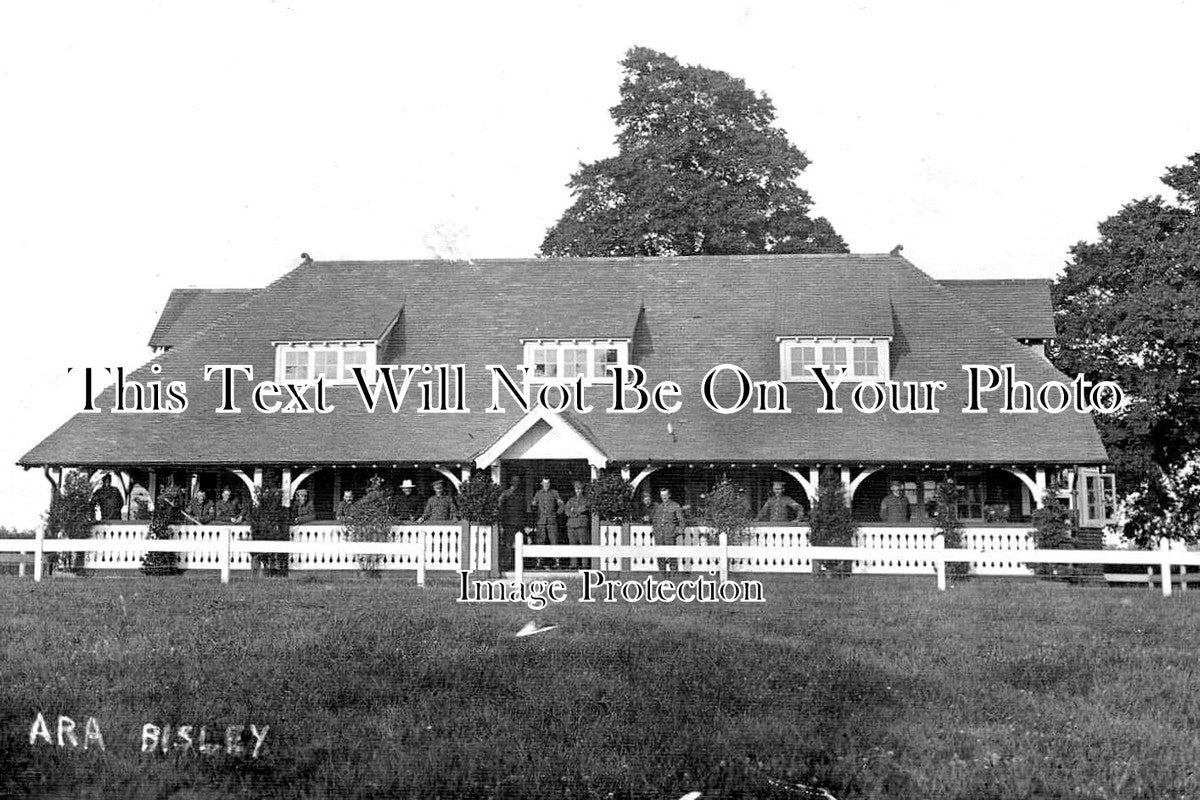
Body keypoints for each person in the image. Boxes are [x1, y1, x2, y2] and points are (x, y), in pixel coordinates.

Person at [529, 477, 564, 567]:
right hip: (541, 521)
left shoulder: (554, 493)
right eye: (544, 483)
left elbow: (561, 505)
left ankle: (557, 562)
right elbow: (533, 505)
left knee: (554, 541)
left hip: (552, 521)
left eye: (548, 483)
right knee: (540, 541)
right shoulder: (538, 493)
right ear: (542, 484)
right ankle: (539, 561)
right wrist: (534, 509)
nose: (546, 485)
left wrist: (557, 514)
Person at [651, 487, 684, 573]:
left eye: (665, 495)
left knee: (672, 556)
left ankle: (674, 577)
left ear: (669, 495)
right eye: (662, 495)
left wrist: (678, 531)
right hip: (659, 536)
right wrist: (655, 531)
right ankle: (662, 576)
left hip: (670, 535)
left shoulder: (675, 506)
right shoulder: (659, 507)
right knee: (660, 557)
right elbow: (655, 520)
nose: (664, 497)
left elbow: (681, 520)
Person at [563, 480, 591, 570]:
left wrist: (574, 511)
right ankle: (573, 564)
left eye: (580, 489)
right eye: (576, 489)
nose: (578, 491)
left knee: (583, 545)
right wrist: (573, 512)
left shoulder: (586, 499)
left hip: (581, 524)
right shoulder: (571, 499)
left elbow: (584, 508)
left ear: (582, 490)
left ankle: (585, 565)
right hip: (571, 525)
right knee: (572, 545)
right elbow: (566, 510)